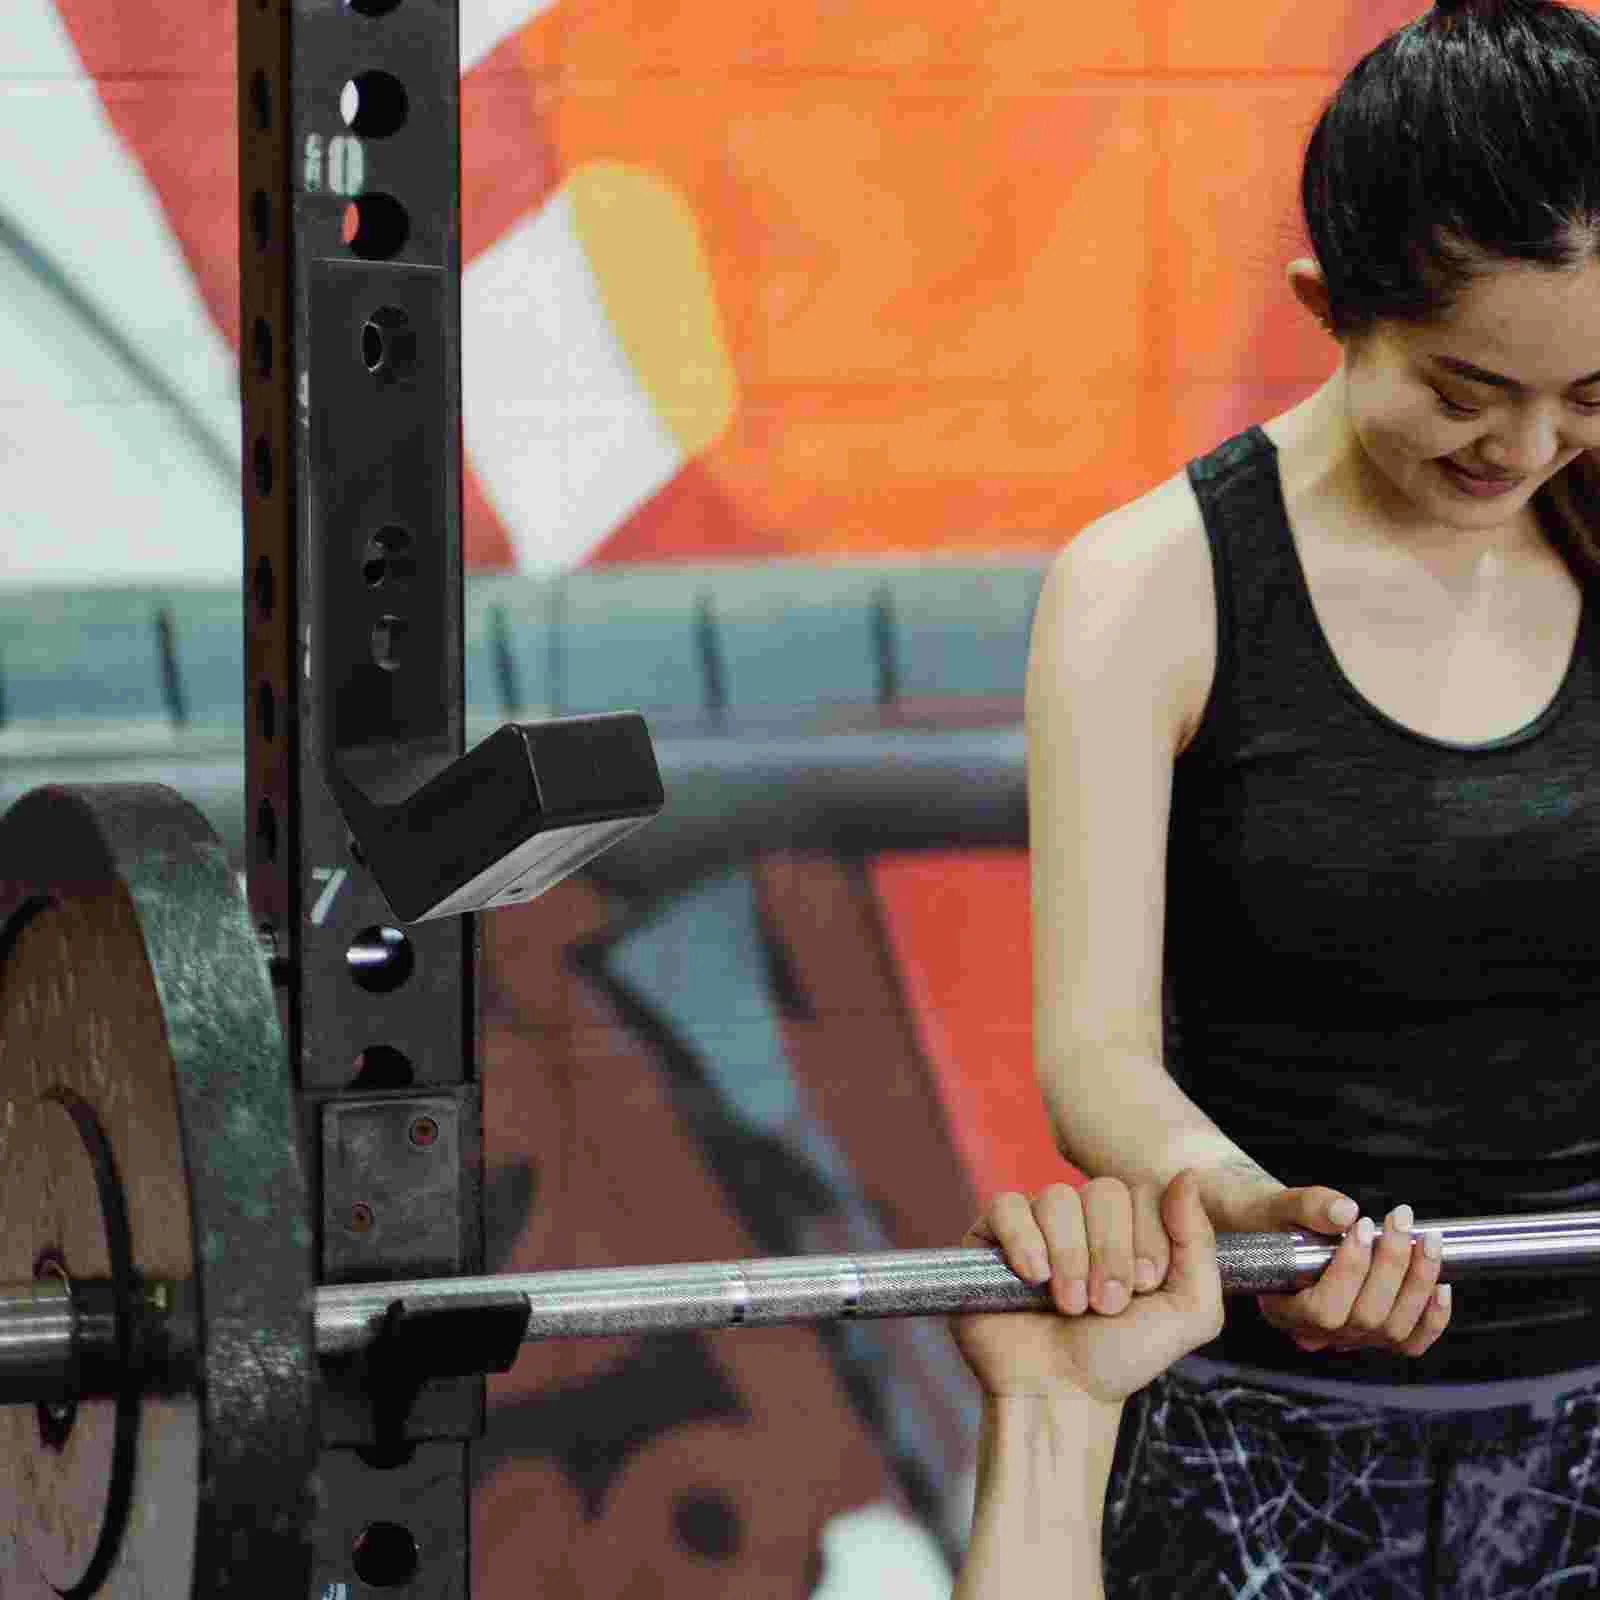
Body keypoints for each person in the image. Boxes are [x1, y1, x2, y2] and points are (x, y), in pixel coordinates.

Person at [964, 0, 1600, 1590]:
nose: (1525, 444)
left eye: (1590, 393)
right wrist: (1269, 1224)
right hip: (1267, 1433)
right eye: (1468, 387)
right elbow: (1095, 1056)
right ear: (1331, 306)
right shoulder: (1147, 590)